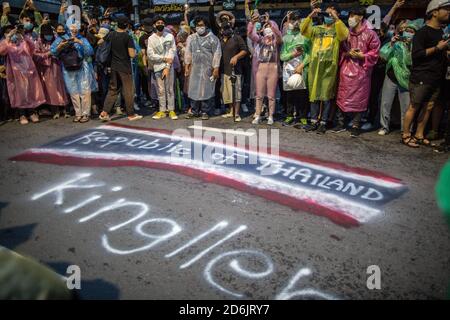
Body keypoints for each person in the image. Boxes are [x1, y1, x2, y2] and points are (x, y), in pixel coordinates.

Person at [401, 0, 450, 148]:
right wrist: (437, 48)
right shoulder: (422, 32)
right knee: (414, 106)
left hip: (436, 76)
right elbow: (417, 54)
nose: (449, 12)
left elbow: (440, 52)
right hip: (422, 76)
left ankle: (419, 135)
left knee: (429, 106)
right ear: (434, 12)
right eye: (446, 9)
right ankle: (406, 135)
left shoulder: (441, 32)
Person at [301, 5, 349, 134]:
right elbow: (303, 30)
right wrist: (311, 15)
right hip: (315, 67)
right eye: (327, 14)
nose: (328, 16)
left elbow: (344, 35)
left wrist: (336, 17)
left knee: (326, 96)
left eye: (331, 14)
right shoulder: (317, 29)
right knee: (314, 94)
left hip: (329, 68)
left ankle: (323, 122)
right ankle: (313, 121)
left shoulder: (337, 30)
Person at [335, 7, 380, 137]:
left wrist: (363, 56)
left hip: (362, 72)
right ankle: (341, 122)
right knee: (342, 96)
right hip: (346, 69)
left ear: (361, 17)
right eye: (350, 15)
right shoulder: (346, 33)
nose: (350, 18)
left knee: (360, 99)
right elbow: (340, 50)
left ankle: (355, 124)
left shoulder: (370, 34)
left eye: (353, 15)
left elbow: (375, 52)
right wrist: (348, 53)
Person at [378, 21, 419, 136]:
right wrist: (391, 44)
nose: (408, 33)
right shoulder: (396, 42)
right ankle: (384, 127)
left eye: (411, 32)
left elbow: (410, 61)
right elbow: (383, 55)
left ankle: (405, 130)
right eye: (407, 31)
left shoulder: (416, 46)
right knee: (385, 103)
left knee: (406, 107)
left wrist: (410, 46)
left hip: (406, 79)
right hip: (391, 76)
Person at [51, 23, 97, 123]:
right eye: (72, 28)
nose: (74, 30)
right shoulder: (61, 39)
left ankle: (85, 113)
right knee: (73, 92)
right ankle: (78, 113)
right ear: (68, 28)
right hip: (68, 69)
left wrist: (80, 42)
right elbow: (53, 52)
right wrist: (60, 46)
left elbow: (90, 51)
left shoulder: (83, 39)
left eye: (76, 28)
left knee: (85, 91)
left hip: (82, 67)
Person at [99, 16, 142, 122]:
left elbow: (100, 42)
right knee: (128, 91)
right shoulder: (127, 37)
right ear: (126, 25)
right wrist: (137, 53)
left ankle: (104, 113)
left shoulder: (111, 34)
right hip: (125, 67)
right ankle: (131, 114)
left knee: (113, 89)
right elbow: (131, 54)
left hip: (113, 66)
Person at [0, 24, 46, 125]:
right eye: (8, 32)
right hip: (16, 72)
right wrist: (8, 38)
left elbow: (32, 48)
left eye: (12, 31)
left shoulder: (23, 41)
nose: (12, 34)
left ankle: (32, 112)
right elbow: (1, 51)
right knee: (20, 93)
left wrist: (24, 36)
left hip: (29, 70)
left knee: (30, 91)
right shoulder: (7, 44)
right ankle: (22, 114)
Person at [184, 16, 221, 120]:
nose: (199, 27)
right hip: (194, 68)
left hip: (207, 68)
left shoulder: (213, 38)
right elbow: (188, 52)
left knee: (206, 89)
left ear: (206, 26)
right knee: (193, 88)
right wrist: (187, 66)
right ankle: (194, 110)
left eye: (201, 25)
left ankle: (205, 111)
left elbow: (217, 54)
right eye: (197, 25)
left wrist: (216, 68)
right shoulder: (191, 38)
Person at [249, 13, 283, 125]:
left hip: (273, 68)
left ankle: (270, 116)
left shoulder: (276, 42)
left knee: (271, 95)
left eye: (270, 28)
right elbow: (250, 34)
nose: (268, 30)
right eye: (266, 27)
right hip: (261, 69)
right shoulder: (260, 40)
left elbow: (279, 35)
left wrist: (271, 24)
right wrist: (252, 23)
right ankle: (257, 115)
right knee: (259, 95)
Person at [280, 12, 311, 127]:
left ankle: (302, 116)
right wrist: (293, 54)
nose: (295, 23)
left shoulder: (305, 38)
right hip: (288, 69)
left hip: (301, 68)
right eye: (293, 21)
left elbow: (309, 53)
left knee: (302, 93)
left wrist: (301, 65)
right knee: (289, 94)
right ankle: (289, 116)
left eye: (298, 21)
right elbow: (282, 56)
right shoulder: (286, 38)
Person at [34, 23, 69, 119]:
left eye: (49, 33)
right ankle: (55, 110)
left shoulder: (57, 39)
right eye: (46, 34)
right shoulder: (39, 42)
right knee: (51, 89)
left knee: (61, 87)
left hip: (57, 66)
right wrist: (48, 54)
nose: (48, 35)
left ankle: (65, 109)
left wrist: (59, 50)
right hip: (46, 68)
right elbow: (36, 55)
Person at [147, 16, 178, 120]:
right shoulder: (151, 38)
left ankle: (171, 110)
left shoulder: (170, 36)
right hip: (157, 67)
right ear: (154, 25)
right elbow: (150, 55)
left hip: (169, 67)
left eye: (162, 22)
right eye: (158, 22)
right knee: (160, 90)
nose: (160, 24)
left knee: (169, 89)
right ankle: (162, 110)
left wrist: (167, 66)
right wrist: (164, 59)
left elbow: (172, 51)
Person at [219, 19, 248, 122]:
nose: (225, 30)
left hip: (235, 70)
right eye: (224, 28)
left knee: (236, 92)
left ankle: (237, 113)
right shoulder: (221, 39)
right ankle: (231, 111)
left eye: (227, 28)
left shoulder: (237, 38)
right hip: (224, 70)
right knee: (227, 93)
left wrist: (236, 57)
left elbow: (245, 50)